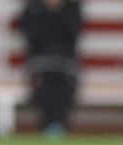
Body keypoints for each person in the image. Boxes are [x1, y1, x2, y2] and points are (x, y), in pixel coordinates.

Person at [20, 0, 81, 138]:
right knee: (44, 85)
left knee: (64, 86)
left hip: (65, 63)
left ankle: (59, 124)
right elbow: (32, 35)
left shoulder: (72, 8)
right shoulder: (32, 8)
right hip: (40, 63)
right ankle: (47, 125)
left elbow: (71, 34)